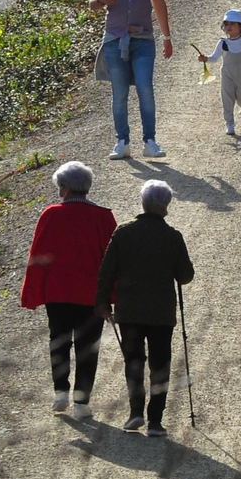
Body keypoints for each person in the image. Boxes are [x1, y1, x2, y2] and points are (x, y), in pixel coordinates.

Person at [95, 179, 194, 436]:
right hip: (161, 313)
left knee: (134, 362)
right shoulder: (173, 237)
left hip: (130, 312)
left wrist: (103, 304)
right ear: (166, 206)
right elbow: (185, 276)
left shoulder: (124, 233)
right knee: (160, 365)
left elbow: (106, 273)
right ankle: (155, 422)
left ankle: (135, 413)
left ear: (143, 202)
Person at [19, 160, 117, 415]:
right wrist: (113, 295)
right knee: (88, 348)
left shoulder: (50, 214)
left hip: (57, 293)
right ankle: (81, 403)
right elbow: (112, 261)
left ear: (64, 188)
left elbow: (37, 254)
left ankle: (60, 391)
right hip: (91, 295)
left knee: (59, 342)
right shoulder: (103, 217)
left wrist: (31, 292)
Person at [88, 0, 172, 160]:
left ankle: (150, 141)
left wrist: (166, 37)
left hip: (143, 39)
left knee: (145, 88)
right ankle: (122, 141)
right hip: (115, 40)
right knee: (119, 93)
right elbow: (92, 3)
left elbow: (158, 0)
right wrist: (102, 2)